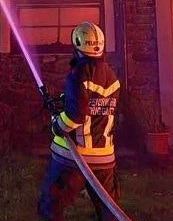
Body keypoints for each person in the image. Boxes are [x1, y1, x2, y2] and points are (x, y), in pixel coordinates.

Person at [37, 21, 122, 221]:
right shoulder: (112, 77)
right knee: (110, 213)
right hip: (104, 159)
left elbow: (76, 116)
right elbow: (96, 107)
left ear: (77, 46)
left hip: (73, 158)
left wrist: (57, 125)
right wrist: (65, 101)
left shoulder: (77, 75)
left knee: (51, 207)